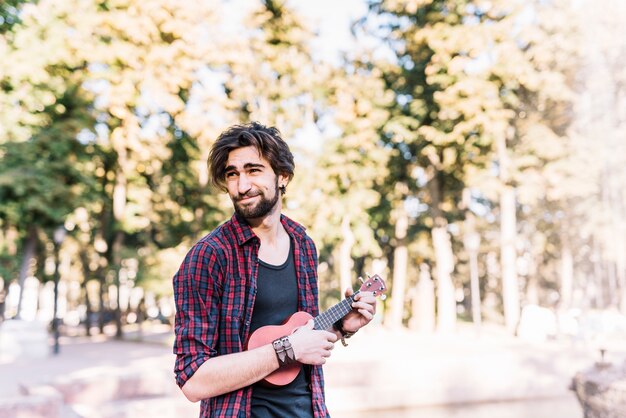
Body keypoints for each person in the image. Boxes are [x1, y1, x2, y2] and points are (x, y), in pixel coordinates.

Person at [173, 122, 377, 418]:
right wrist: (287, 349)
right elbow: (192, 380)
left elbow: (300, 334)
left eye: (253, 170)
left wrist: (342, 326)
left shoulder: (303, 245)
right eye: (233, 174)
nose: (242, 186)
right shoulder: (209, 256)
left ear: (282, 176)